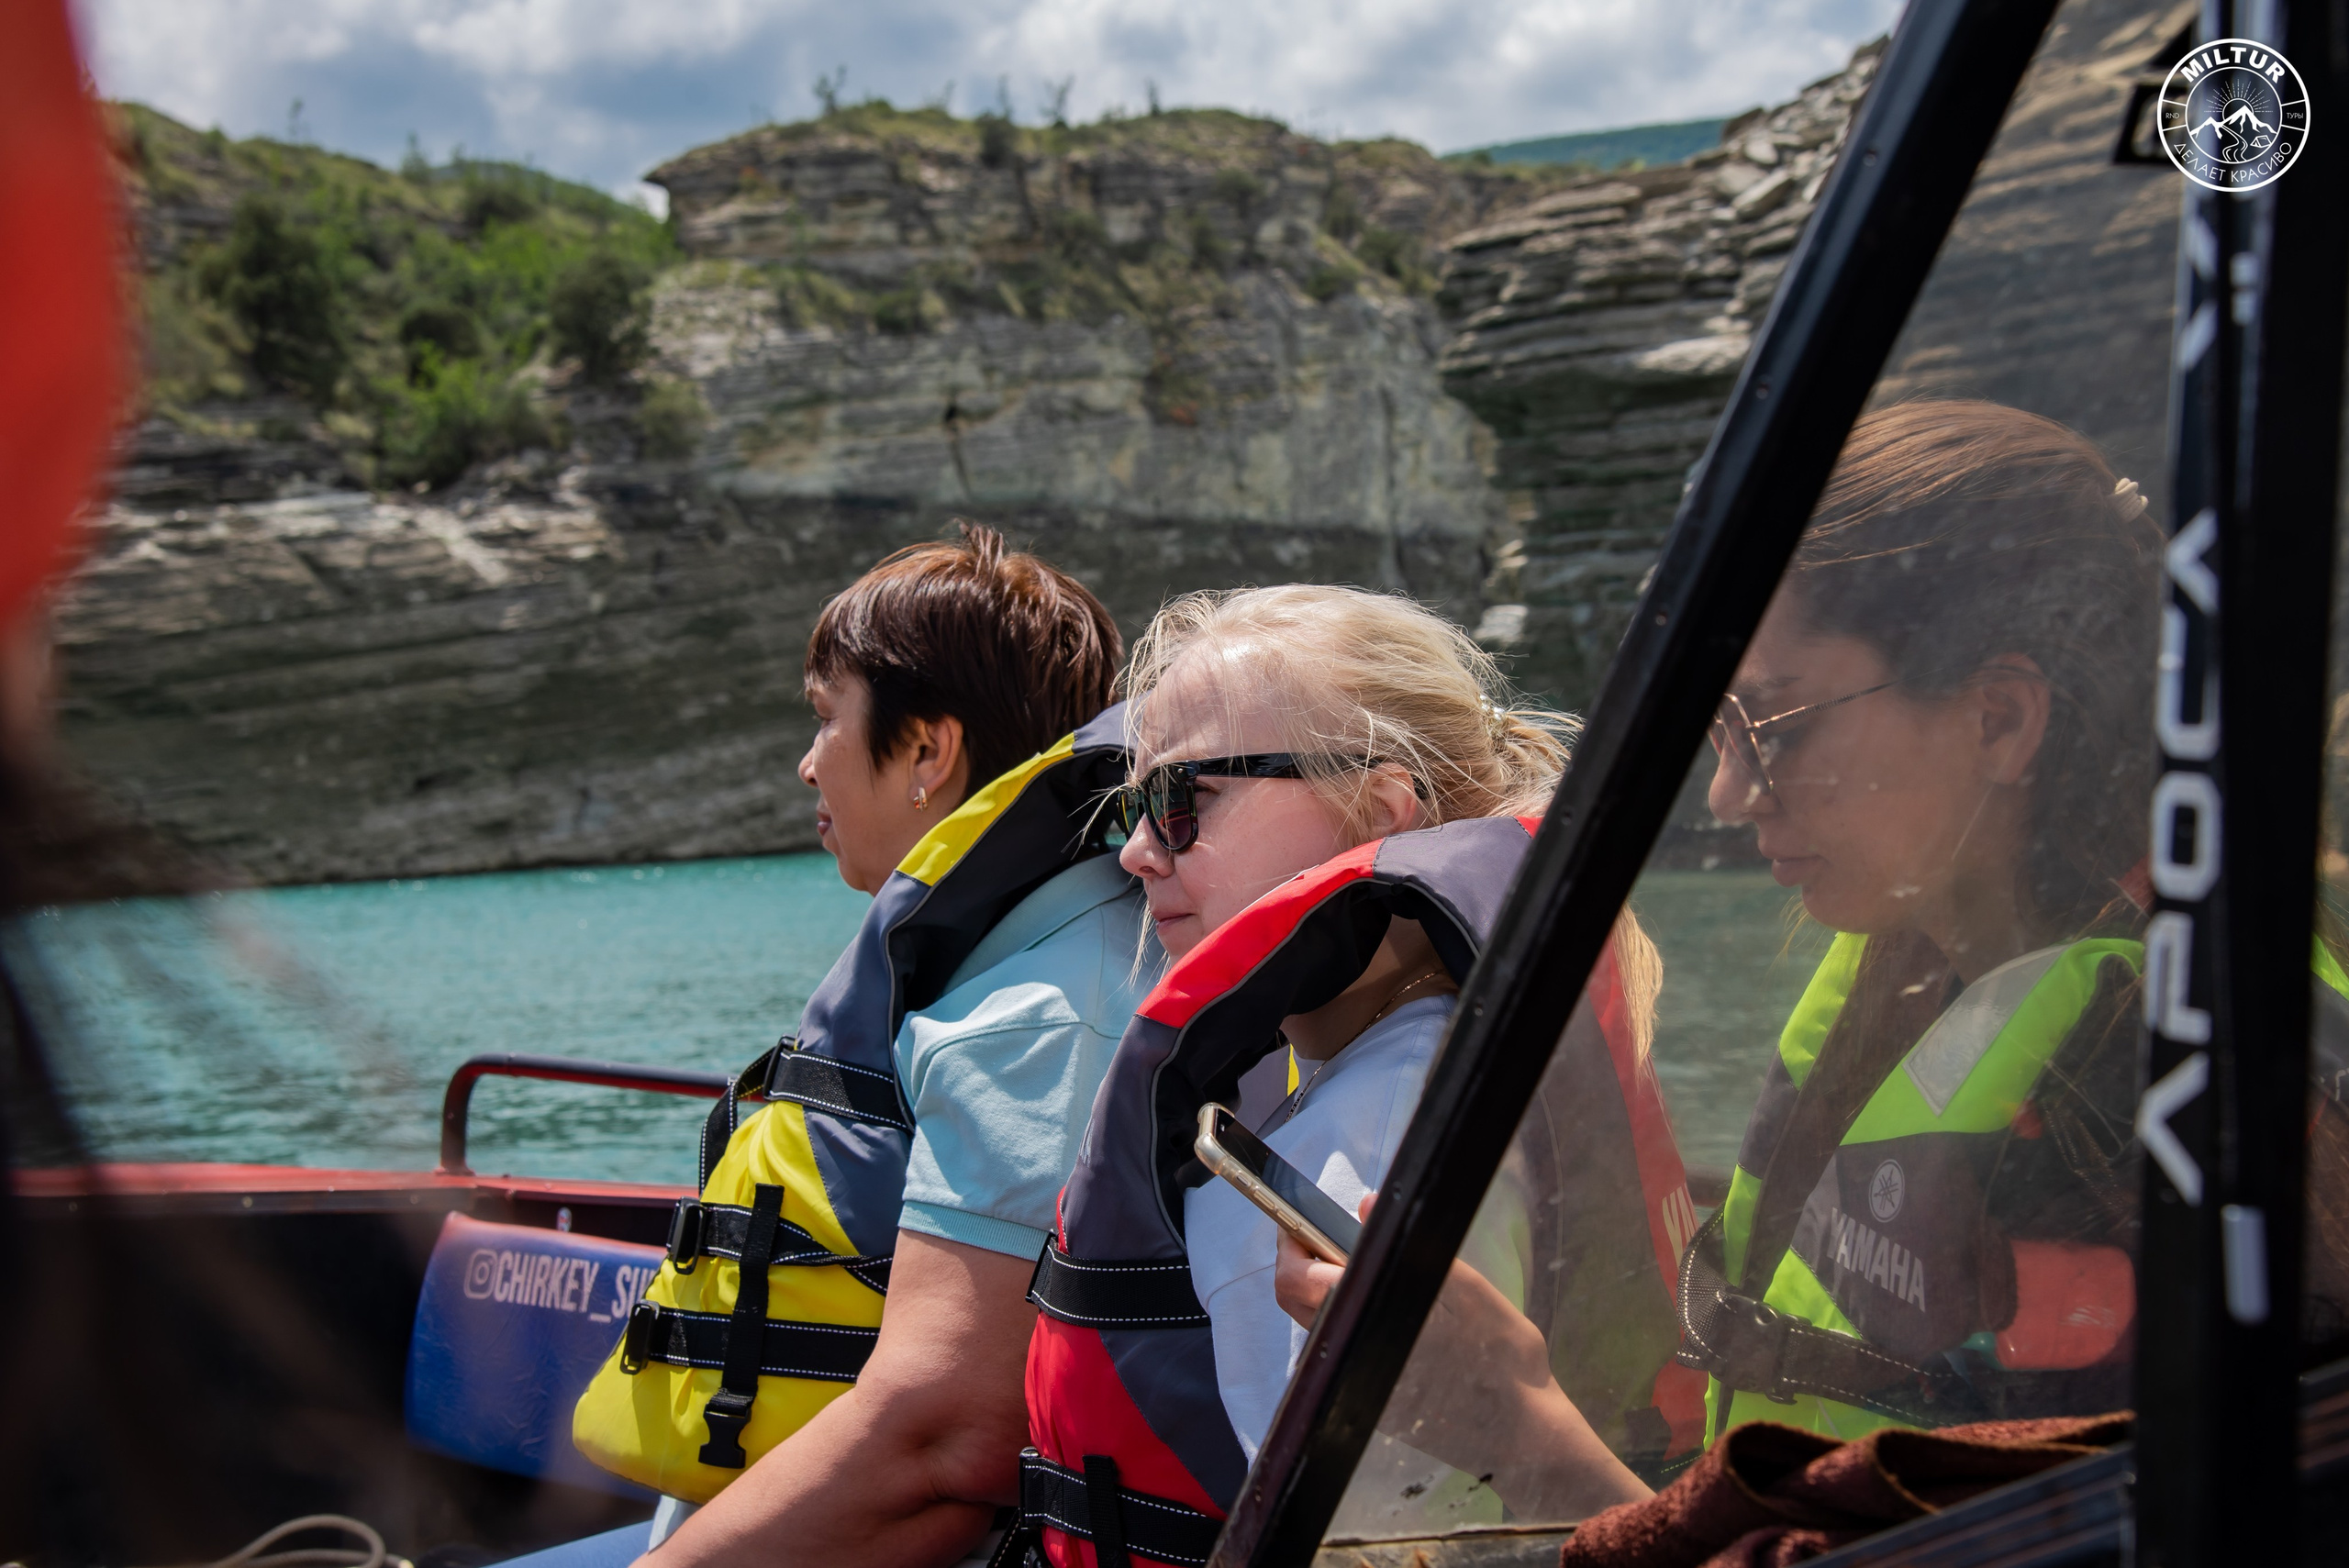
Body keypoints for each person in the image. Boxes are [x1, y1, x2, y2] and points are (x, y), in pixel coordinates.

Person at [1275, 399, 2168, 1510]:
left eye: (1777, 726)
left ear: (1998, 719)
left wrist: (1512, 1422)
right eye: (1721, 734)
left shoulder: (2143, 1089)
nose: (1731, 795)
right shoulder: (1935, 973)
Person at [1012, 584, 1687, 1568]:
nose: (1136, 851)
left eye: (1181, 801)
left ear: (1379, 810)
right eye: (1133, 806)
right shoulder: (1447, 1051)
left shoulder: (1357, 1141)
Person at [547, 525, 1147, 1566]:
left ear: (926, 750)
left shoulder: (1042, 1011)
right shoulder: (1002, 953)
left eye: (828, 720)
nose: (806, 762)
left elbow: (941, 1437)